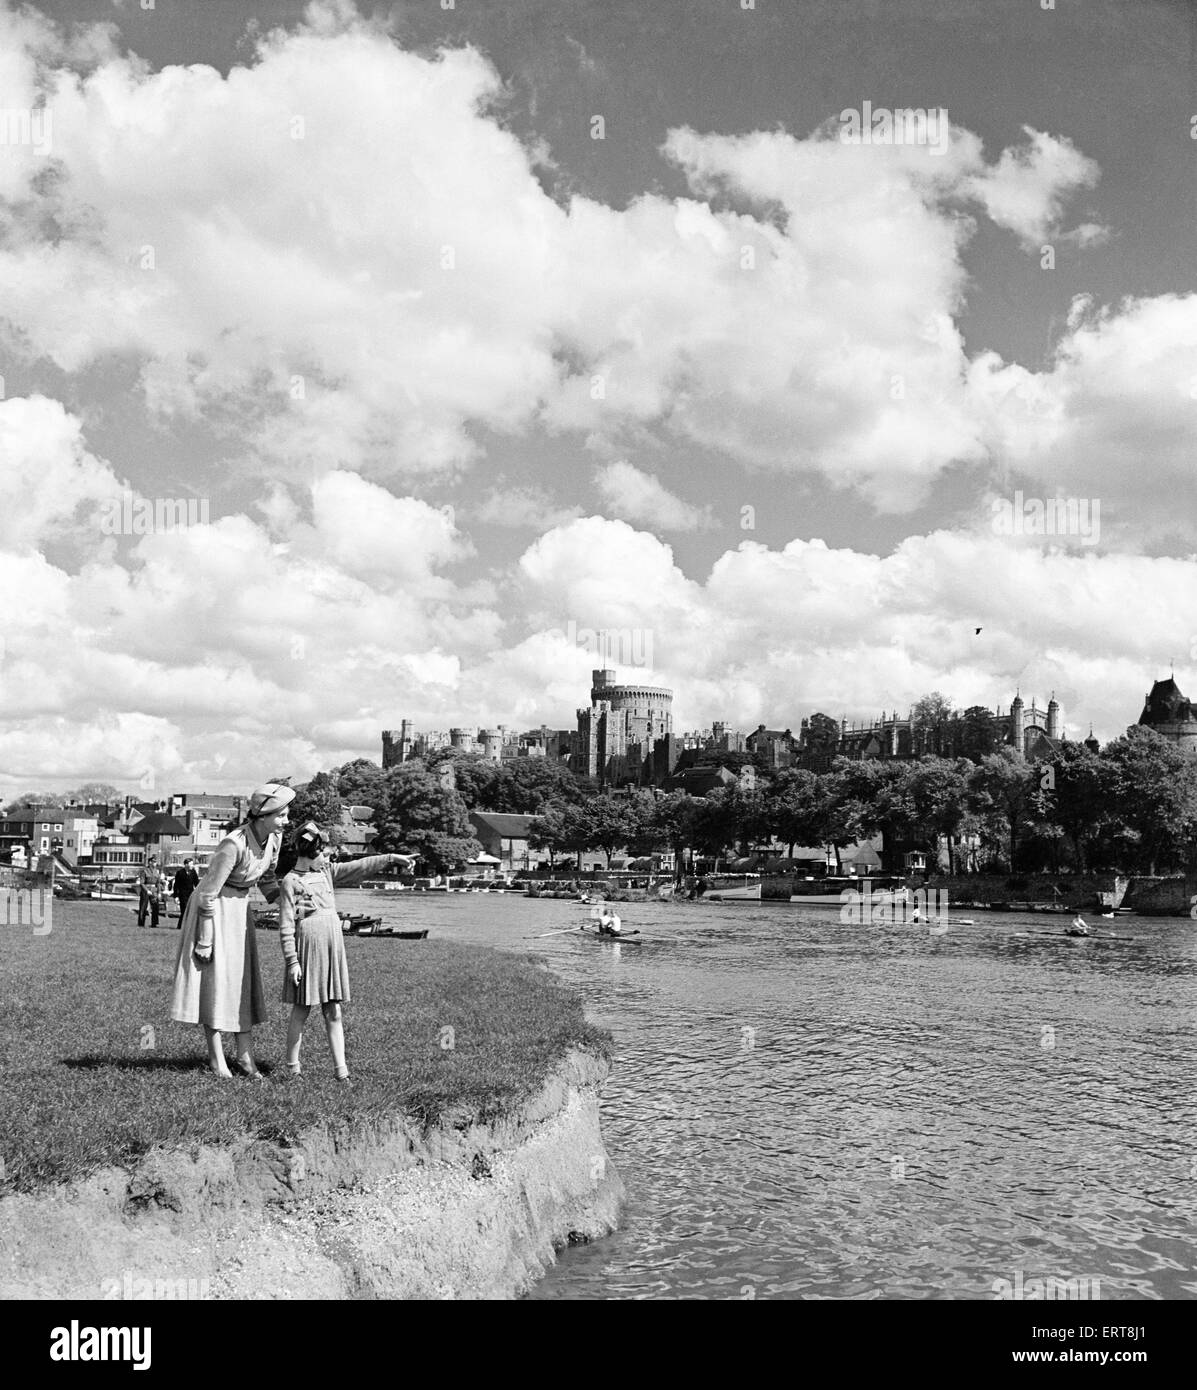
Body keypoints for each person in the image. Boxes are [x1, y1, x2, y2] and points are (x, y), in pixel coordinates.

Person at [169, 782, 295, 1079]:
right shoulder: (234, 844)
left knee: (241, 982)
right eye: (281, 816)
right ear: (262, 815)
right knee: (215, 982)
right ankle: (217, 1061)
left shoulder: (273, 840)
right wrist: (204, 939)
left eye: (286, 815)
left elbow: (266, 880)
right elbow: (207, 894)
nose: (286, 822)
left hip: (239, 911)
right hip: (214, 910)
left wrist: (284, 901)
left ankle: (245, 1058)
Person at [278, 822, 414, 1082]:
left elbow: (361, 866)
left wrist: (392, 857)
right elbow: (286, 926)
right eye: (324, 853)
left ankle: (342, 1072)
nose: (328, 857)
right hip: (307, 949)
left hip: (332, 947)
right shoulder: (291, 882)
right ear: (309, 852)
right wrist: (292, 962)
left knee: (334, 1010)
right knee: (301, 1009)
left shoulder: (327, 873)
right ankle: (292, 1068)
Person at [137, 858, 164, 929]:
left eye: (155, 862)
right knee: (143, 907)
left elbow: (158, 883)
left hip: (154, 890)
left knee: (155, 907)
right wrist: (146, 890)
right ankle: (141, 923)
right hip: (146, 890)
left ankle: (154, 923)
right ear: (149, 863)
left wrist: (159, 892)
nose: (155, 863)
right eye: (153, 862)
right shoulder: (144, 871)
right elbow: (142, 883)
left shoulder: (156, 871)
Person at [172, 858, 199, 925]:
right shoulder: (180, 873)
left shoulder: (193, 872)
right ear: (186, 864)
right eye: (191, 864)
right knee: (184, 910)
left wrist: (198, 892)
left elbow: (196, 883)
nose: (192, 865)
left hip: (191, 894)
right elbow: (176, 885)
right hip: (182, 895)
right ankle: (181, 925)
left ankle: (184, 925)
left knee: (190, 910)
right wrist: (175, 896)